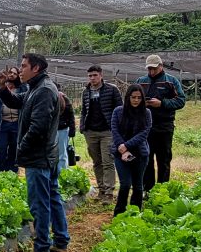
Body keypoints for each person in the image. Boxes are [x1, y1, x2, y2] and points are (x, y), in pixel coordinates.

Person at [0, 54, 69, 252]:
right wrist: (3, 88)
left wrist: (21, 147)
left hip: (39, 155)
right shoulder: (36, 88)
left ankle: (42, 248)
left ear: (36, 68)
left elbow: (39, 127)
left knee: (40, 202)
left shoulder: (44, 90)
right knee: (53, 197)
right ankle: (61, 243)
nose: (20, 69)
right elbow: (17, 102)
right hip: (46, 154)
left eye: (24, 65)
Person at [136, 55, 186, 194]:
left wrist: (162, 103)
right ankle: (148, 189)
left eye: (154, 68)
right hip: (145, 126)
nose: (151, 72)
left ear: (161, 66)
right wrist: (141, 104)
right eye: (149, 69)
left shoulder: (171, 81)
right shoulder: (141, 81)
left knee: (163, 159)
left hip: (164, 125)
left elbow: (181, 100)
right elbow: (132, 99)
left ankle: (162, 190)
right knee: (146, 158)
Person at [80, 64, 122, 199]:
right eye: (90, 76)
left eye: (95, 75)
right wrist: (82, 127)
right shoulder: (86, 92)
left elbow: (120, 110)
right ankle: (101, 189)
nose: (92, 78)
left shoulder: (111, 90)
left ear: (101, 75)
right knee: (97, 162)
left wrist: (117, 128)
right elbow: (83, 111)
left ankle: (109, 191)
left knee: (107, 161)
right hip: (91, 132)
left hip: (107, 131)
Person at [110, 85, 152, 216]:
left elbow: (144, 133)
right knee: (125, 184)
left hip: (140, 154)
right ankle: (119, 213)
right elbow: (115, 130)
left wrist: (126, 146)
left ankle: (135, 213)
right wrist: (122, 149)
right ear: (127, 97)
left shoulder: (146, 113)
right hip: (120, 153)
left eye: (139, 98)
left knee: (138, 185)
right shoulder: (118, 111)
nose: (136, 100)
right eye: (133, 97)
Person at [0, 67, 28, 174]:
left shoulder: (22, 90)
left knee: (14, 149)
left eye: (14, 73)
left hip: (16, 124)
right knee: (0, 149)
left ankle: (12, 172)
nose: (11, 75)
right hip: (1, 124)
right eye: (10, 72)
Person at [56, 83, 76, 173]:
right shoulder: (48, 99)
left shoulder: (64, 99)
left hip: (62, 129)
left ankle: (62, 173)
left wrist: (72, 130)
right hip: (51, 130)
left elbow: (71, 115)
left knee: (62, 153)